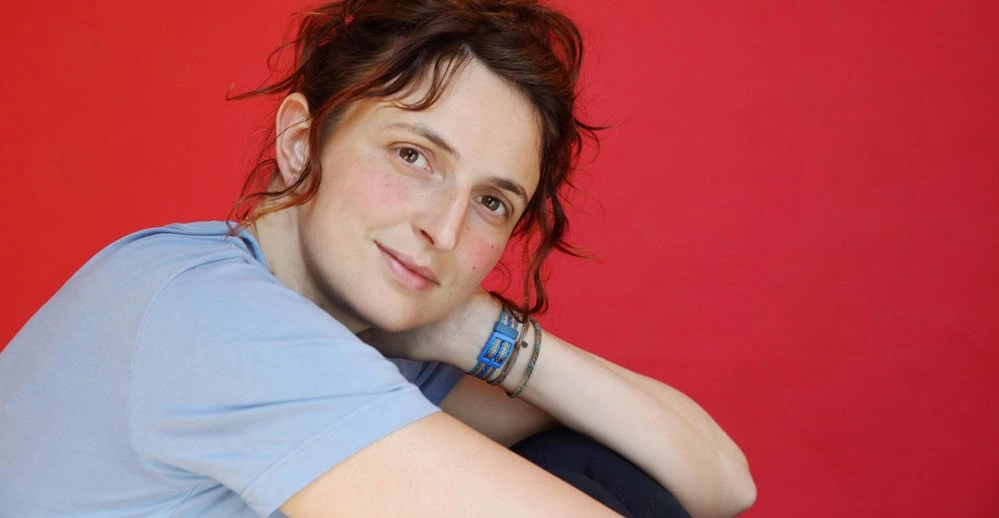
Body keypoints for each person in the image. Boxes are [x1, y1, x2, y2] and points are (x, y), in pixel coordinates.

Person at [0, 0, 756, 516]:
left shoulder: (355, 333)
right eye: (413, 156)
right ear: (302, 143)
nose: (445, 229)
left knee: (594, 461)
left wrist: (473, 330)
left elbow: (720, 482)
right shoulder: (212, 320)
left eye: (492, 202)